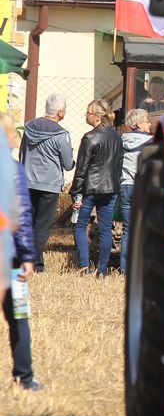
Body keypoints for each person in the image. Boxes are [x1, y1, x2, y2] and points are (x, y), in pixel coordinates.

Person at [0, 114, 40, 390]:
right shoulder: (13, 171)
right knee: (19, 316)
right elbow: (23, 217)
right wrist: (28, 256)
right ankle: (25, 377)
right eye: (14, 133)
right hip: (10, 255)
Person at [19, 92, 74, 273]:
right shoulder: (61, 134)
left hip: (27, 181)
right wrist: (73, 162)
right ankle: (36, 265)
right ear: (59, 112)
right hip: (49, 185)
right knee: (42, 225)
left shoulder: (29, 128)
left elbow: (22, 154)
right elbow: (67, 164)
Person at [71, 99, 123, 277]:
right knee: (105, 228)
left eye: (88, 112)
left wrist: (75, 192)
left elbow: (82, 168)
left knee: (79, 225)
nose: (86, 115)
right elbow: (119, 166)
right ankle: (102, 270)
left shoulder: (89, 137)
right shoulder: (117, 137)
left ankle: (84, 266)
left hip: (89, 190)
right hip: (111, 189)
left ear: (97, 116)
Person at [119, 108, 152, 274]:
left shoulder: (121, 141)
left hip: (125, 186)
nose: (149, 124)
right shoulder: (152, 143)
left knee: (127, 229)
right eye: (147, 121)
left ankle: (124, 268)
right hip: (142, 187)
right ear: (139, 124)